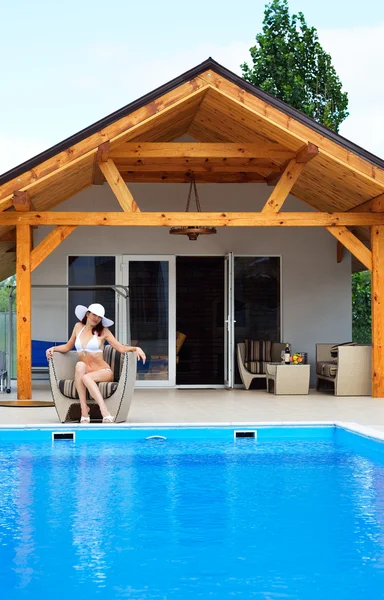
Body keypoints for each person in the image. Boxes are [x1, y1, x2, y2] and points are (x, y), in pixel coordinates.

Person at [46, 303, 146, 423]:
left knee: (86, 377)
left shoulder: (104, 331)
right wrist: (53, 349)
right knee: (79, 365)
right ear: (88, 314)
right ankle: (84, 409)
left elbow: (121, 348)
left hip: (103, 372)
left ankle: (104, 411)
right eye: (94, 315)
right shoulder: (78, 327)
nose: (96, 318)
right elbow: (68, 346)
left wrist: (136, 349)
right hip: (85, 371)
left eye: (99, 317)